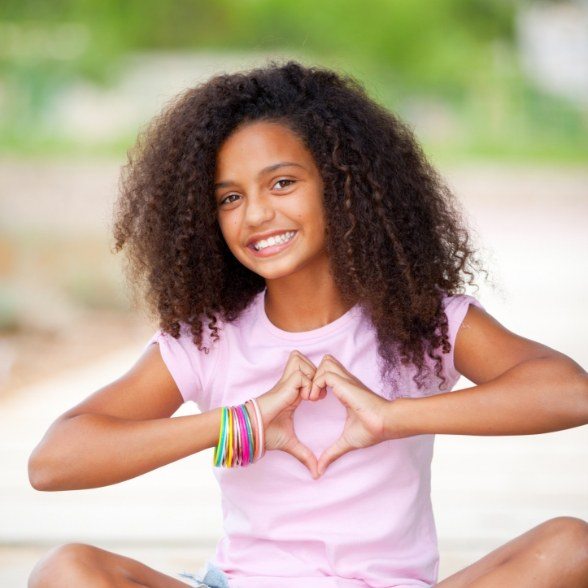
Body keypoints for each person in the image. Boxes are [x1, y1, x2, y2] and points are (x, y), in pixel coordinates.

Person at [27, 60, 588, 588]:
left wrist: (391, 416)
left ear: (345, 186)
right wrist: (237, 425)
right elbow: (55, 462)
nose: (255, 215)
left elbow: (568, 393)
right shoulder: (211, 341)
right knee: (68, 569)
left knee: (572, 545)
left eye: (283, 183)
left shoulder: (422, 322)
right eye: (229, 197)